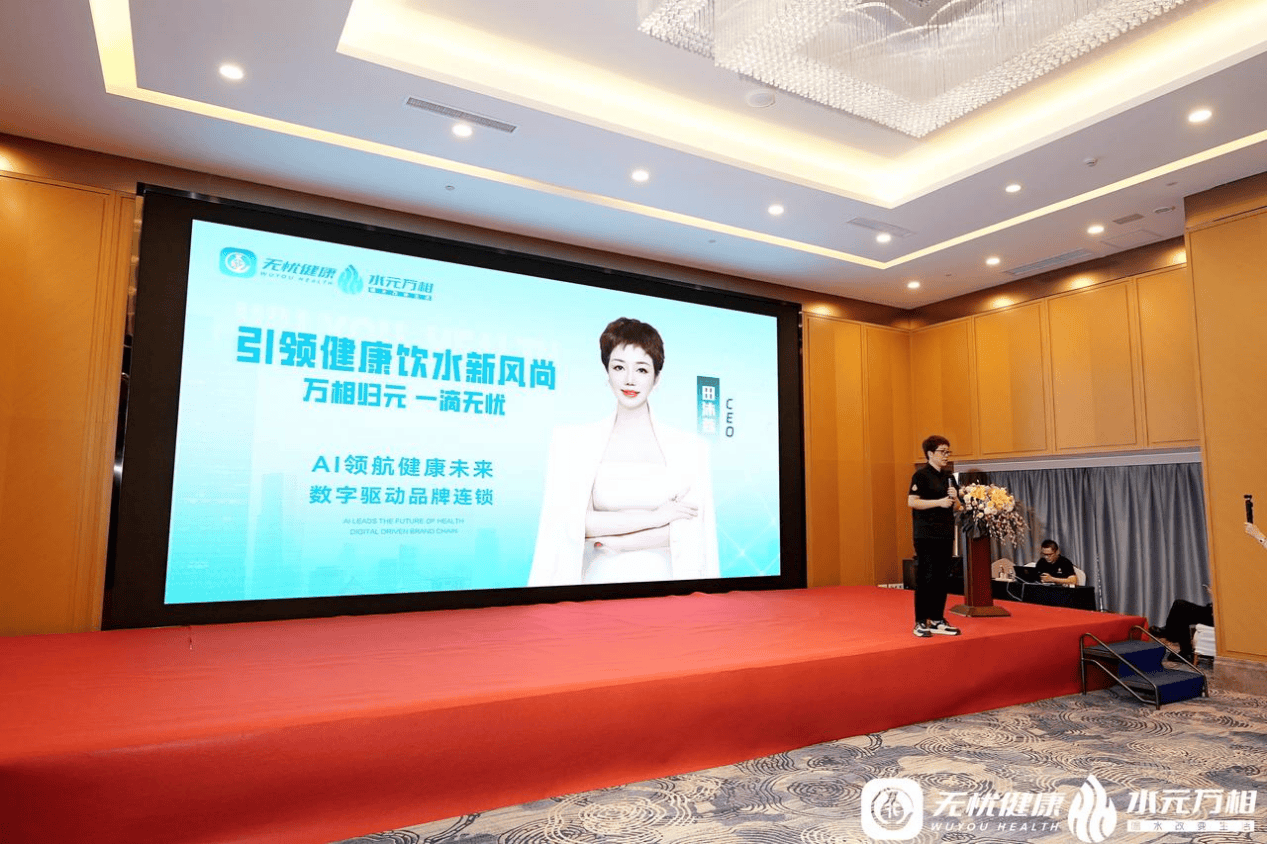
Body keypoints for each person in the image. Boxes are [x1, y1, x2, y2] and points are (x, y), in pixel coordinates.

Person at [528, 317, 719, 587]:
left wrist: (622, 543)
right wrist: (655, 517)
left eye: (641, 369)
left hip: (669, 584)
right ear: (607, 373)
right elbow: (572, 522)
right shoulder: (574, 443)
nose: (629, 380)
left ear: (657, 378)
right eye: (619, 367)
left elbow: (690, 527)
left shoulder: (689, 448)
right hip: (595, 582)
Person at [907, 435, 962, 637]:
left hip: (945, 534)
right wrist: (939, 502)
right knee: (926, 577)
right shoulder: (920, 476)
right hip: (926, 535)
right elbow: (912, 502)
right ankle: (921, 621)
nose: (946, 455)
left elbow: (957, 507)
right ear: (930, 453)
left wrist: (956, 499)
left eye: (948, 451)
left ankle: (937, 619)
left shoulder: (949, 477)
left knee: (941, 577)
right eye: (942, 451)